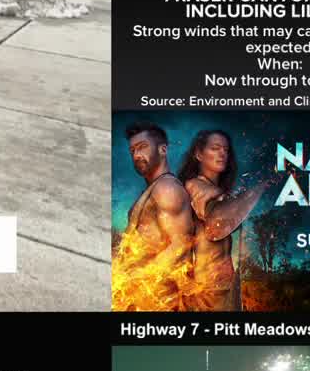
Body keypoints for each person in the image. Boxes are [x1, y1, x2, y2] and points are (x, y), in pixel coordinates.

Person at [178, 130, 274, 312]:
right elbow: (216, 227)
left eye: (226, 150)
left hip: (224, 284)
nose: (222, 153)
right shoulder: (195, 186)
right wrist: (263, 185)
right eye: (215, 148)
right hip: (209, 289)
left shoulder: (216, 190)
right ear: (199, 154)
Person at [112, 122, 195, 311]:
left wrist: (136, 278)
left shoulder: (167, 188)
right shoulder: (152, 190)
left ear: (163, 149)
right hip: (138, 297)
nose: (136, 155)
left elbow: (180, 244)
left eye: (142, 147)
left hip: (159, 300)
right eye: (132, 150)